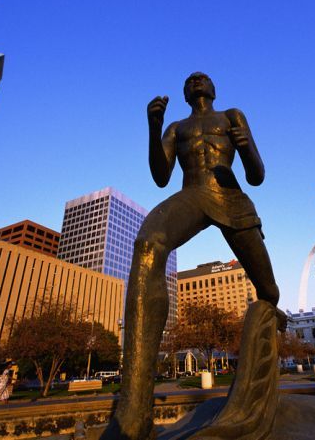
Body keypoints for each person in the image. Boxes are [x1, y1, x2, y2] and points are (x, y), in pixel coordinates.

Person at [103, 73, 281, 440]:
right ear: (185, 94)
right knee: (148, 245)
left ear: (213, 90)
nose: (197, 81)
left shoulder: (232, 116)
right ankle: (134, 410)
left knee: (268, 292)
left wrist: (246, 148)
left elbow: (257, 175)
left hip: (230, 196)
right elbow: (160, 176)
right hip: (192, 195)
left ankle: (261, 363)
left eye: (203, 79)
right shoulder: (176, 127)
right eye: (190, 80)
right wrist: (153, 129)